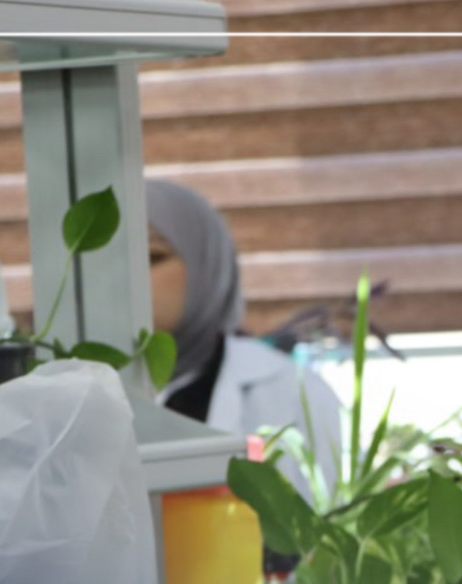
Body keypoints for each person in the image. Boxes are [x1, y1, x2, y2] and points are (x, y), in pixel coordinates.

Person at [144, 178, 342, 499]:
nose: (128, 276)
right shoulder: (73, 392)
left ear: (205, 264)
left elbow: (325, 519)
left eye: (152, 256)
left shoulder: (292, 391)